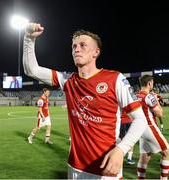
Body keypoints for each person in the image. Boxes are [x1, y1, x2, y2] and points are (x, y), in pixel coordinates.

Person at [23, 23, 147, 179]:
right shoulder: (68, 80)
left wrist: (121, 149)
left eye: (82, 45)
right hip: (74, 167)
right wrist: (28, 38)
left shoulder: (115, 79)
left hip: (105, 168)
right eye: (74, 46)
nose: (76, 49)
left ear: (96, 52)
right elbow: (31, 70)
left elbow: (140, 119)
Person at [136, 75, 169, 179]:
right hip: (149, 126)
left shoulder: (135, 95)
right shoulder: (148, 96)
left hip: (140, 128)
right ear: (149, 83)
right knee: (167, 152)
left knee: (144, 156)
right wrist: (156, 100)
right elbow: (159, 114)